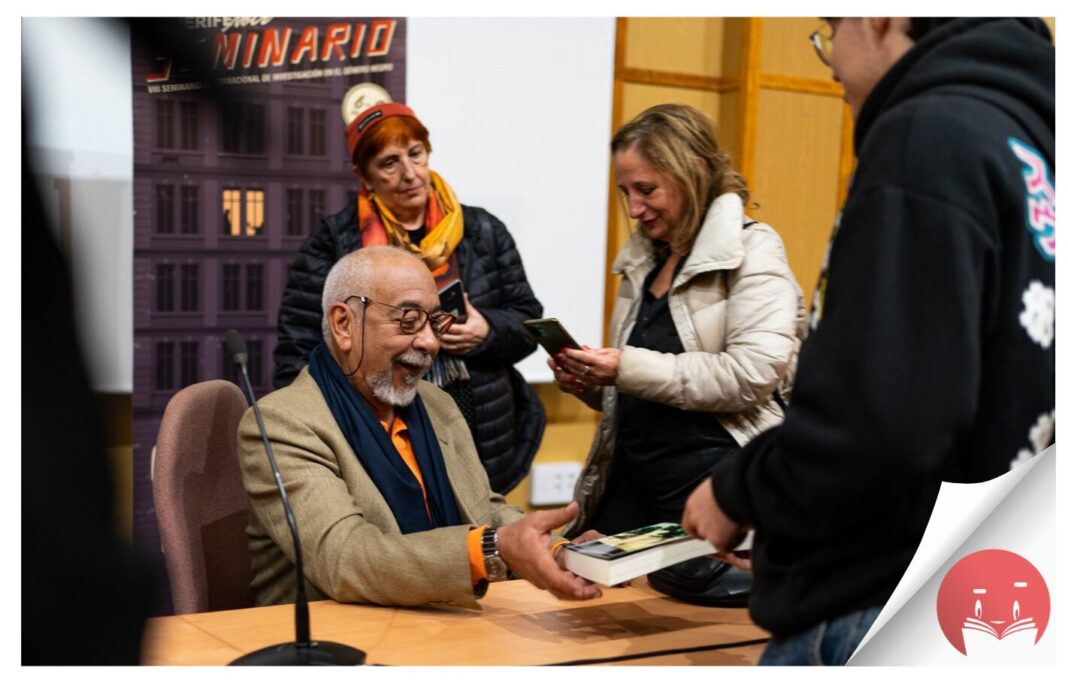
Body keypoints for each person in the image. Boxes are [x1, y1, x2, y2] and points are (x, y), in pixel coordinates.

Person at [682, 18, 1054, 666]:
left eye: (832, 28)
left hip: (877, 599)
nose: (830, 62)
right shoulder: (1028, 146)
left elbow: (882, 417)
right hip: (990, 591)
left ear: (881, 14)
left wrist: (739, 489)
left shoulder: (926, 138)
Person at [240, 246, 602, 608]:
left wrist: (555, 550)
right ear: (344, 323)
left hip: (441, 618)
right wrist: (493, 548)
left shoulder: (436, 403)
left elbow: (484, 508)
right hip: (330, 643)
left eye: (436, 323)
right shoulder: (281, 424)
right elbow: (344, 558)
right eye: (408, 320)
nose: (430, 342)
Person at [550, 103, 806, 537]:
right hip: (634, 487)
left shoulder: (755, 250)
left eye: (646, 189)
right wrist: (595, 383)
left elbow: (752, 374)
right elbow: (648, 388)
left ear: (695, 172)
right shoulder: (643, 260)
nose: (633, 208)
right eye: (625, 191)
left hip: (714, 492)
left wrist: (625, 368)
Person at [274, 95, 545, 495]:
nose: (410, 173)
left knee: (486, 529)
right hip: (381, 416)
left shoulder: (483, 231)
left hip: (480, 422)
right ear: (363, 175)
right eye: (389, 163)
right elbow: (298, 345)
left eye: (416, 154)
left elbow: (528, 322)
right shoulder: (335, 242)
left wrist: (486, 331)